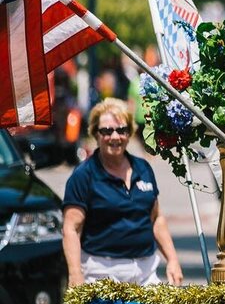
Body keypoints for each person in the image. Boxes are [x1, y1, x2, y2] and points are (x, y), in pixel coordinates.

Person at [62, 98, 183, 287]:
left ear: (130, 133)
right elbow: (71, 228)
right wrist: (75, 273)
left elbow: (156, 218)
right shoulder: (83, 175)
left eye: (121, 130)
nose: (115, 136)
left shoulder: (143, 168)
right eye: (107, 131)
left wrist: (173, 260)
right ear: (95, 133)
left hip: (145, 271)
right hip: (100, 272)